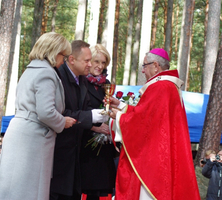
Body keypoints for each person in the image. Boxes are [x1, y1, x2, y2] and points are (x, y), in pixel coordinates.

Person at [0, 32, 77, 200]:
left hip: (21, 131)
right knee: (28, 192)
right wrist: (63, 122)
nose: (63, 61)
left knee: (12, 190)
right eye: (63, 56)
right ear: (54, 52)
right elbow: (45, 112)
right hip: (33, 137)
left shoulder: (31, 69)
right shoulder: (46, 73)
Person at [108, 48, 200, 199]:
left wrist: (118, 116)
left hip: (153, 160)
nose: (143, 71)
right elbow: (147, 116)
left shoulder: (160, 87)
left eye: (144, 66)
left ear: (155, 66)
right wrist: (122, 106)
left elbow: (142, 125)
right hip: (160, 154)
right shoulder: (168, 86)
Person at [49, 40, 109, 200]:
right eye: (88, 61)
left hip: (75, 155)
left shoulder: (81, 79)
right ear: (72, 59)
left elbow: (85, 108)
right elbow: (59, 113)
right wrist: (92, 118)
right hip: (60, 155)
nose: (90, 65)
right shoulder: (58, 77)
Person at [80, 44, 116, 200]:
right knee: (86, 188)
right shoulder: (81, 82)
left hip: (103, 146)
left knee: (102, 189)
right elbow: (75, 111)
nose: (100, 66)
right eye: (97, 61)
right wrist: (95, 128)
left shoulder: (106, 84)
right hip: (84, 143)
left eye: (103, 63)